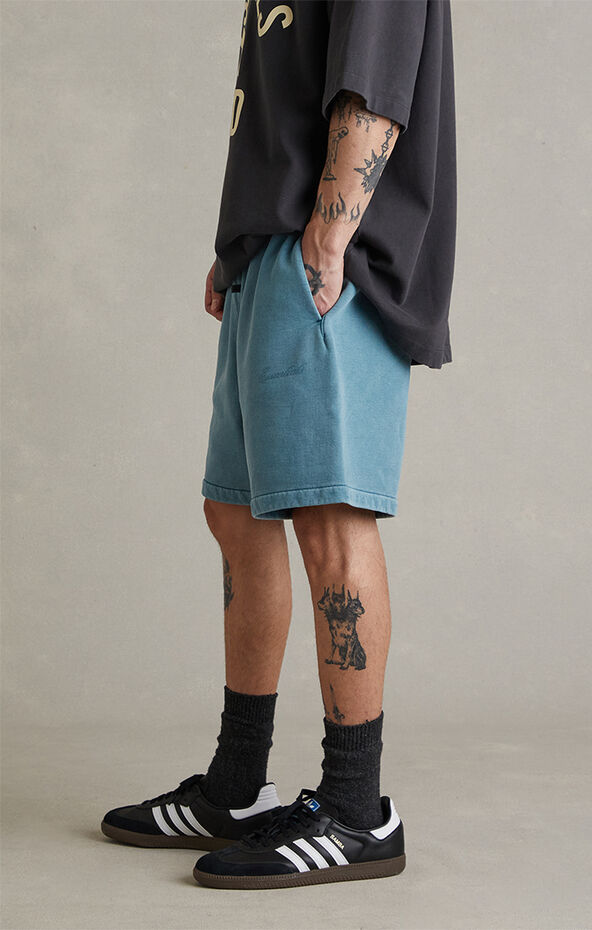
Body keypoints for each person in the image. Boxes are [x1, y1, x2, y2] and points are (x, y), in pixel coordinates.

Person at [101, 0, 456, 890]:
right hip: (273, 250)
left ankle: (356, 810)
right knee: (236, 511)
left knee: (331, 516)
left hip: (329, 255)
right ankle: (237, 785)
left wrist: (330, 233)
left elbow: (373, 86)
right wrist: (243, 244)